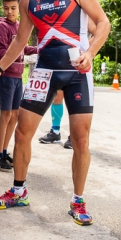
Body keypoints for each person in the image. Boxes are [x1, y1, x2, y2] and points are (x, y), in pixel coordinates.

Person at [0, 0, 111, 226]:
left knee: (80, 140)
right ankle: (18, 190)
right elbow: (20, 40)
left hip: (77, 72)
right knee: (23, 132)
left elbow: (103, 23)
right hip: (43, 72)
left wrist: (90, 53)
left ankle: (78, 201)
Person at [0, 0, 37, 172]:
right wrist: (18, 58)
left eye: (13, 8)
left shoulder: (19, 25)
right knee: (5, 115)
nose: (9, 12)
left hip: (18, 77)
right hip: (5, 76)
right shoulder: (2, 26)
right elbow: (2, 51)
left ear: (19, 8)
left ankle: (4, 151)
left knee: (15, 115)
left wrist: (38, 49)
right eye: (6, 8)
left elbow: (23, 47)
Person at [38, 20, 95, 149]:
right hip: (60, 63)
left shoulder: (84, 11)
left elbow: (98, 32)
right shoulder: (62, 10)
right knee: (57, 96)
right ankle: (55, 131)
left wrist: (86, 50)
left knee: (75, 102)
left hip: (79, 64)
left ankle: (72, 136)